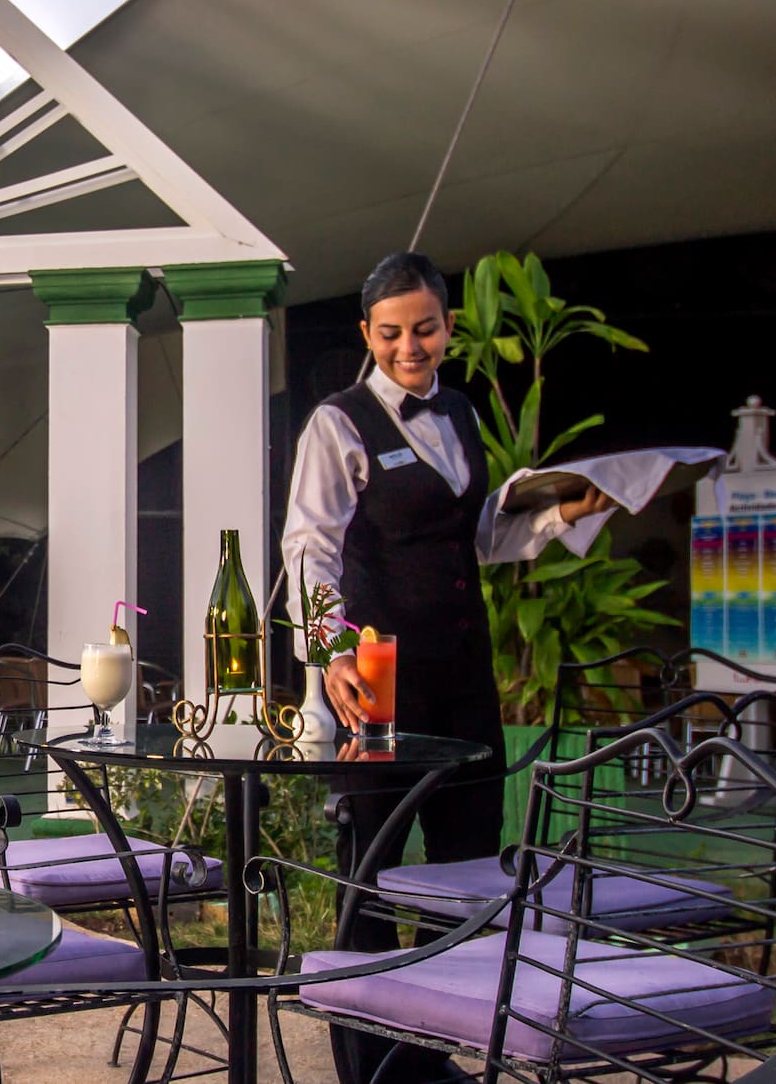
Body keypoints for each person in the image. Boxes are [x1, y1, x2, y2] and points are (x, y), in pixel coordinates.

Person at [281, 251, 615, 1082]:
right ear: (368, 333)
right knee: (376, 865)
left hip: (466, 671)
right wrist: (327, 653)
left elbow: (478, 539)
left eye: (424, 328)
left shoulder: (462, 412)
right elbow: (309, 547)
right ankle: (372, 1064)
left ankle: (431, 1056)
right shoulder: (340, 421)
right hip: (379, 675)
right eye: (390, 333)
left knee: (467, 866)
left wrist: (567, 510)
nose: (409, 346)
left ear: (449, 326)